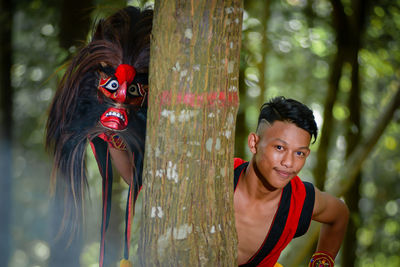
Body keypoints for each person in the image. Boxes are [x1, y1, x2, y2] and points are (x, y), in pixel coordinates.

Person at [234, 96, 349, 267]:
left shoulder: (299, 200)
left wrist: (321, 263)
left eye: (299, 153)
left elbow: (339, 214)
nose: (289, 163)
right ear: (254, 143)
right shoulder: (219, 175)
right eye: (280, 148)